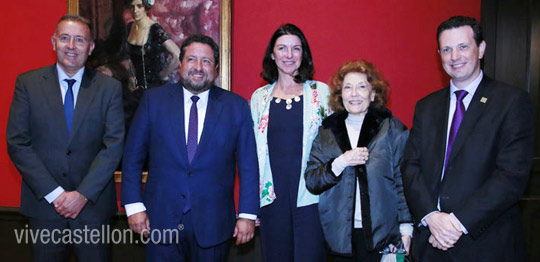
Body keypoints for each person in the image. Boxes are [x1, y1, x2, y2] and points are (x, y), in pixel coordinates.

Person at [401, 16, 534, 261]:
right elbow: (411, 166)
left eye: (463, 47)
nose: (454, 57)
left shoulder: (511, 102)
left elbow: (511, 176)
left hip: (486, 244)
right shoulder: (426, 106)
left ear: (481, 49)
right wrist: (431, 216)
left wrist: (456, 223)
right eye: (447, 49)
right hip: (431, 242)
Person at [121, 34, 259, 261]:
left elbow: (249, 166)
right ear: (180, 64)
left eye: (205, 61)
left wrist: (247, 214)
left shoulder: (236, 107)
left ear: (215, 68)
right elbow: (132, 158)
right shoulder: (153, 101)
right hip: (159, 220)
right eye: (191, 59)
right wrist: (134, 206)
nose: (198, 67)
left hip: (214, 223)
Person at [6, 14, 124, 262]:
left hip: (92, 208)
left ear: (90, 48)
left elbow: (113, 146)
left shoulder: (109, 88)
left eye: (80, 40)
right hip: (45, 208)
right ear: (53, 42)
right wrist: (56, 194)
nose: (71, 46)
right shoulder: (28, 84)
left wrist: (81, 195)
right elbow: (18, 143)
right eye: (65, 38)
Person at [305, 60, 413, 262]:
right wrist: (341, 162)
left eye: (362, 87)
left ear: (373, 94)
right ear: (340, 95)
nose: (354, 93)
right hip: (339, 237)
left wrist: (406, 228)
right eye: (348, 87)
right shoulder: (327, 131)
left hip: (383, 237)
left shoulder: (392, 129)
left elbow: (403, 181)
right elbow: (312, 181)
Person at [250, 23, 331, 262]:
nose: (289, 55)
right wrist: (251, 205)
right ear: (272, 55)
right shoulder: (259, 99)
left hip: (312, 199)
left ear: (303, 54)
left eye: (296, 49)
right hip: (271, 200)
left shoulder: (322, 93)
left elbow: (336, 147)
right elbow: (250, 156)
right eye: (282, 48)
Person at [124, 0, 180, 126]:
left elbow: (178, 54)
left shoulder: (155, 29)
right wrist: (132, 76)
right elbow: (132, 57)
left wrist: (164, 74)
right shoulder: (130, 27)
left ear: (146, 7)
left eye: (139, 6)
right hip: (137, 91)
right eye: (132, 7)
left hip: (156, 89)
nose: (135, 10)